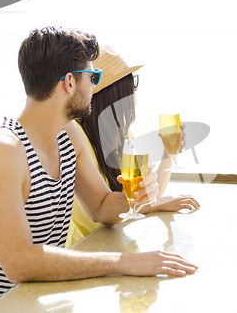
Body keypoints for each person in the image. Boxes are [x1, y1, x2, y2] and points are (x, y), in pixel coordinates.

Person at [0, 27, 197, 311]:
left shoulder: (67, 134)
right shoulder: (1, 149)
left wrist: (135, 195)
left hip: (47, 301)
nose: (93, 88)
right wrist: (124, 263)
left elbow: (102, 206)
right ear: (69, 83)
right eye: (93, 78)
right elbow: (18, 263)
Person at [66, 45, 200, 248]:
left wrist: (167, 153)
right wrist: (156, 205)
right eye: (132, 83)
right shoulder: (75, 137)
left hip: (114, 242)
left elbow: (141, 194)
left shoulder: (120, 133)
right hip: (87, 247)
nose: (135, 91)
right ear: (115, 93)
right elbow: (99, 215)